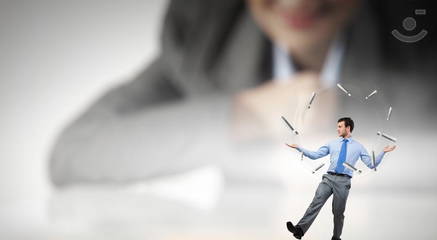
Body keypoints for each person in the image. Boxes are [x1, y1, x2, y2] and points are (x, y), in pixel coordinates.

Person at [49, 0, 436, 187]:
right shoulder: (205, 41)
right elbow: (75, 152)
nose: (296, 1)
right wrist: (246, 113)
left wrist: (351, 110)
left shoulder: (418, 30)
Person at [285, 117, 396, 240]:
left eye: (340, 126)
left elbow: (371, 164)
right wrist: (299, 148)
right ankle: (299, 230)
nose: (337, 129)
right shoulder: (332, 143)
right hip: (328, 178)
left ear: (348, 128)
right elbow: (315, 155)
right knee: (316, 202)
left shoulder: (358, 147)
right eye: (337, 126)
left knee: (338, 213)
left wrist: (383, 152)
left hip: (343, 182)